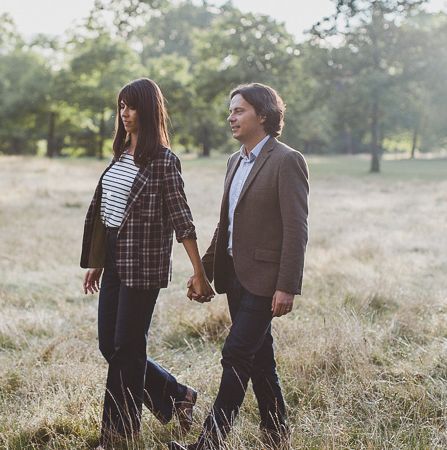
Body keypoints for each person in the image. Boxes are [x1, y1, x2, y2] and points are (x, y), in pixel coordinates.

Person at [173, 83, 309, 450]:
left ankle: (209, 443)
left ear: (262, 115)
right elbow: (226, 224)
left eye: (239, 110)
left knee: (235, 355)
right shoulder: (235, 160)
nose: (230, 117)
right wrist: (203, 269)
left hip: (265, 280)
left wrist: (287, 285)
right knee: (260, 359)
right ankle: (276, 435)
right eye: (230, 111)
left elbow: (297, 229)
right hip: (233, 276)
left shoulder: (286, 160)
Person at [81, 77, 215, 448]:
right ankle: (176, 394)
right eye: (121, 106)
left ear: (150, 110)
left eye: (132, 106)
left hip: (143, 265)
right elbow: (112, 213)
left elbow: (181, 218)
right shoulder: (121, 152)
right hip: (115, 259)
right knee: (110, 345)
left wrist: (199, 272)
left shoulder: (163, 161)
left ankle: (118, 435)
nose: (125, 114)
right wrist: (99, 260)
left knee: (126, 345)